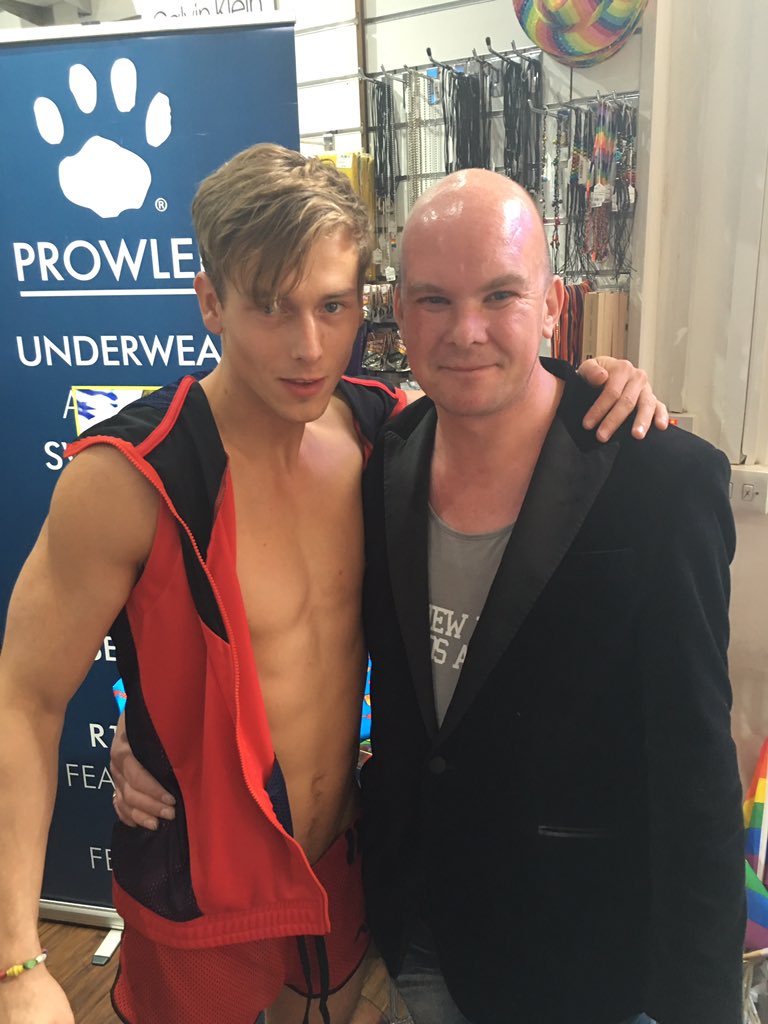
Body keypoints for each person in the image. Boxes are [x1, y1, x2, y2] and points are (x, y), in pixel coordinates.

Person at [0, 143, 662, 1024]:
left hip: (337, 866)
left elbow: (515, 409)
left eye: (332, 305)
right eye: (271, 307)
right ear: (211, 301)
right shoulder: (128, 476)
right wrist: (15, 961)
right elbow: (24, 700)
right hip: (200, 887)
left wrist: (603, 381)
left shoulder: (379, 434)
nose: (309, 347)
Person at [357, 171, 746, 1024]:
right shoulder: (384, 456)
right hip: (418, 932)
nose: (466, 331)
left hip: (580, 959)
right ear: (398, 311)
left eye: (500, 295)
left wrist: (701, 1005)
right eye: (434, 300)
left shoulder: (659, 480)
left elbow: (696, 778)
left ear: (552, 303)